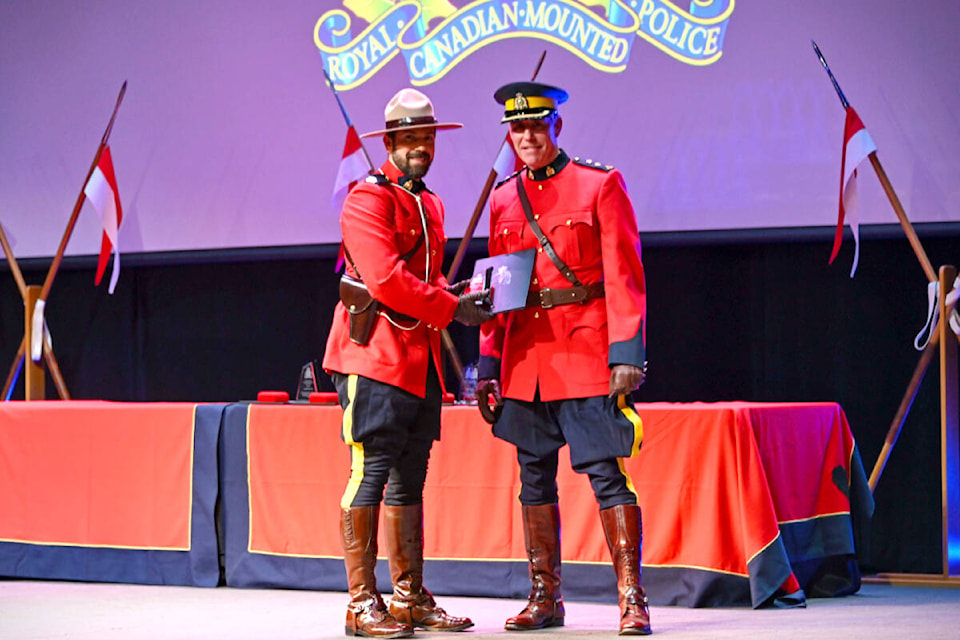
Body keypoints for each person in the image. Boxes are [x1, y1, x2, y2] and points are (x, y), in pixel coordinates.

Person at [475, 81, 651, 636]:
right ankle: (544, 596)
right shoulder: (504, 198)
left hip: (585, 347)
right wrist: (487, 364)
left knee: (605, 474)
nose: (527, 136)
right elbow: (500, 289)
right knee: (533, 479)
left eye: (536, 125)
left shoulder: (600, 184)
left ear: (557, 127)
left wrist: (626, 351)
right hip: (526, 357)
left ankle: (631, 598)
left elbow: (624, 274)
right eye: (517, 128)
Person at [322, 87, 492, 638]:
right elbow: (387, 281)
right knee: (368, 475)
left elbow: (427, 280)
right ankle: (359, 602)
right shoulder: (366, 198)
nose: (420, 146)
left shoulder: (432, 201)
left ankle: (407, 597)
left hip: (418, 364)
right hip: (373, 357)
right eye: (410, 137)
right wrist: (451, 308)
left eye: (427, 137)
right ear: (391, 141)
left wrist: (457, 294)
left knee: (408, 482)